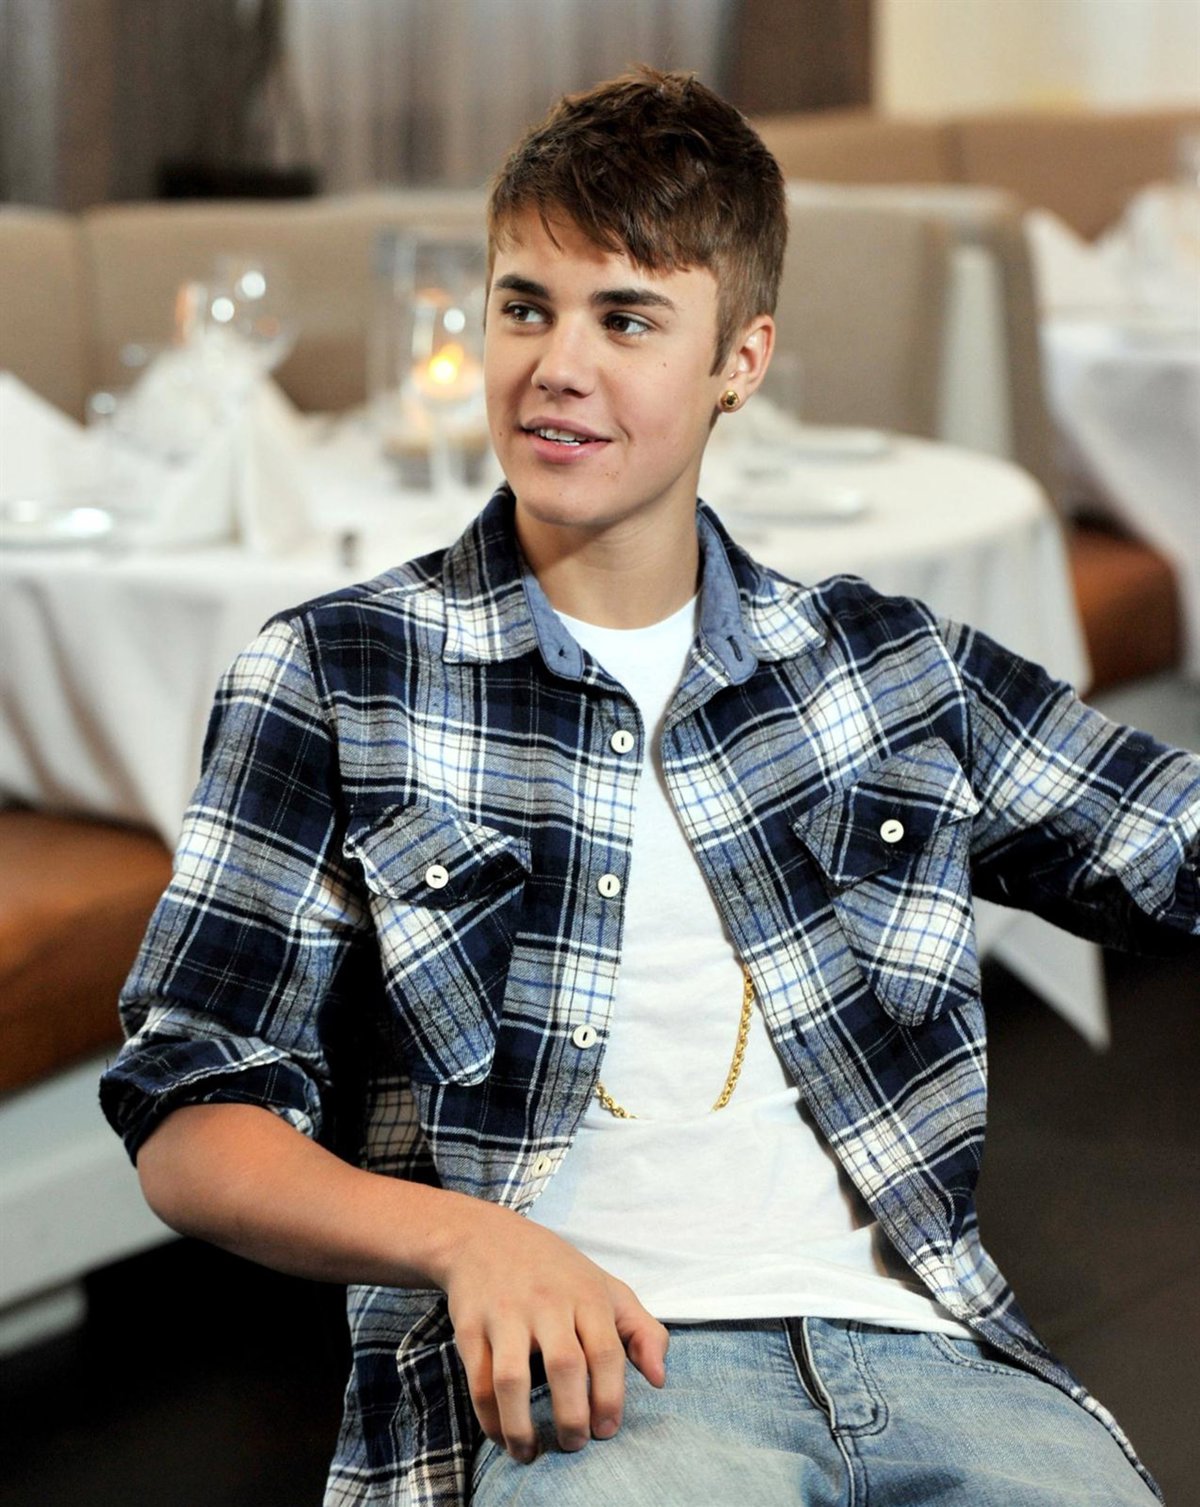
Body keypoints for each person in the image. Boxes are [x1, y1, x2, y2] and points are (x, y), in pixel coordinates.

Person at [101, 68, 1198, 1507]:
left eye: (625, 320)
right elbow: (191, 1111)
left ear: (741, 359)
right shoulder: (336, 673)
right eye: (524, 307)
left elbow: (1172, 841)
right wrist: (466, 1242)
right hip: (598, 1398)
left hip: (936, 1364)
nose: (557, 365)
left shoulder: (884, 665)